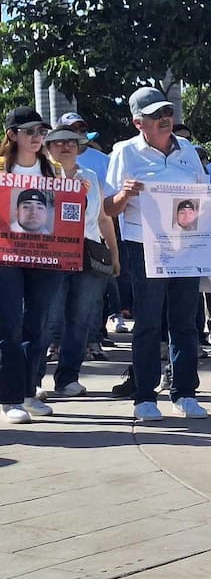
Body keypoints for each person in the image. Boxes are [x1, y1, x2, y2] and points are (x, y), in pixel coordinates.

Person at [105, 87, 211, 422]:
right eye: (155, 116)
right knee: (148, 321)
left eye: (167, 113)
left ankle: (185, 392)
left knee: (185, 321)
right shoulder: (124, 152)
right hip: (143, 245)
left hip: (184, 244)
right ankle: (145, 395)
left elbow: (203, 193)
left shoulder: (188, 149)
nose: (165, 120)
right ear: (138, 123)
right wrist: (124, 194)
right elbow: (108, 208)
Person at [40, 127, 120, 397]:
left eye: (71, 142)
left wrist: (114, 253)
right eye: (59, 142)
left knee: (80, 319)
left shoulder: (91, 176)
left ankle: (68, 378)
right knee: (46, 319)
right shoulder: (41, 175)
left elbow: (103, 218)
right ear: (48, 147)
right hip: (51, 253)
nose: (66, 147)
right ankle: (32, 380)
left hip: (88, 251)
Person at [0, 107, 64, 423]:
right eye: (30, 132)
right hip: (6, 256)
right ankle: (10, 398)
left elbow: (67, 214)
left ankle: (28, 390)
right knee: (9, 324)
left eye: (41, 132)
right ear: (13, 135)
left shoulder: (53, 172)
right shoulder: (1, 169)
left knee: (38, 325)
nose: (38, 138)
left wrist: (80, 196)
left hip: (45, 254)